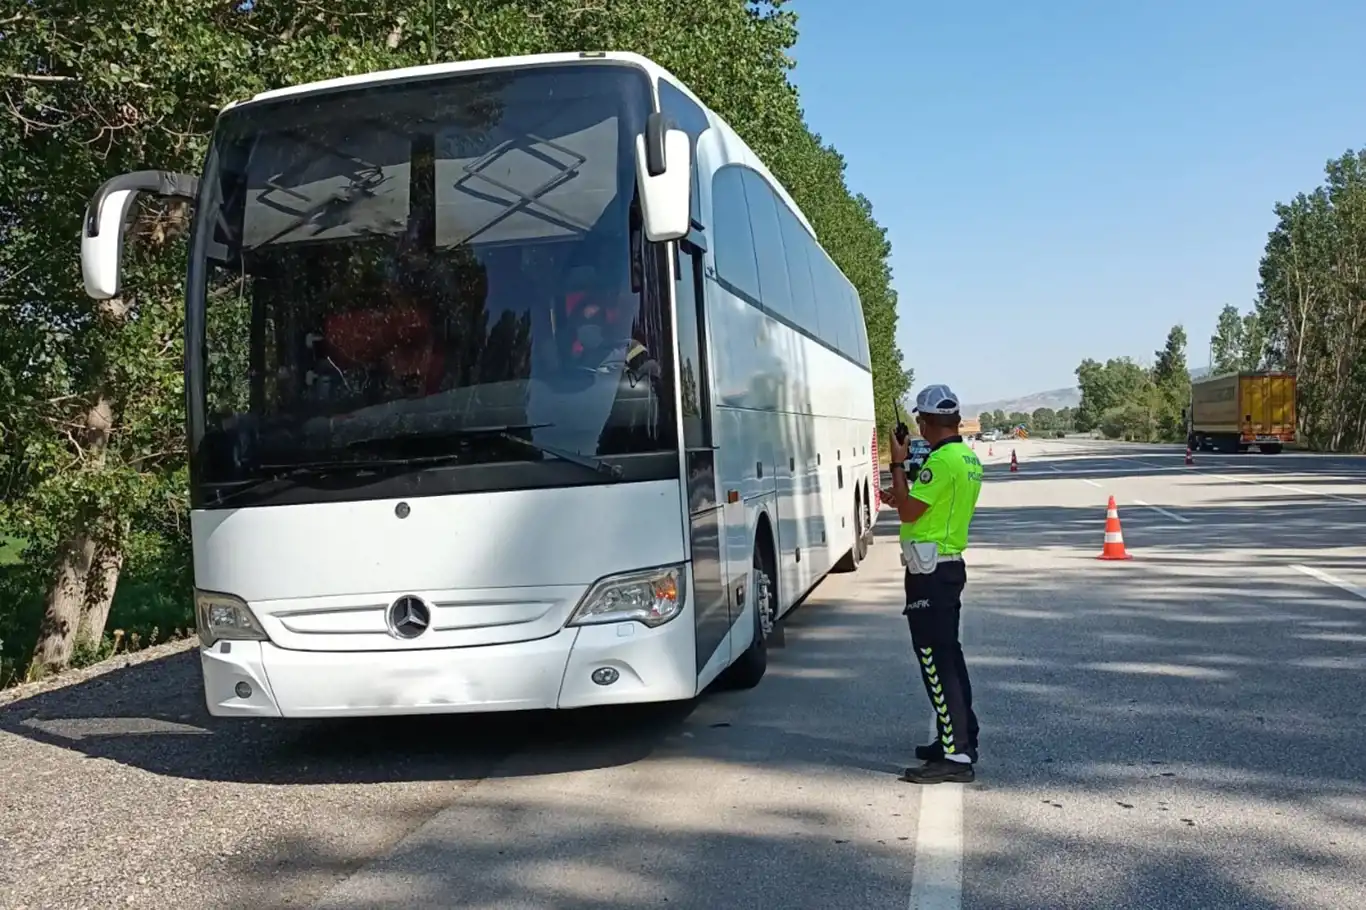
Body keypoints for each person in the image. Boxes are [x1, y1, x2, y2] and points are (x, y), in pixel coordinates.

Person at [885, 383, 984, 784]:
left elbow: (909, 511)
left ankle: (955, 756)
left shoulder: (940, 462)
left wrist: (897, 464)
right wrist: (907, 493)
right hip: (946, 568)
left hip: (930, 573)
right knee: (950, 657)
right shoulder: (965, 457)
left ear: (926, 423)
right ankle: (959, 739)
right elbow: (928, 506)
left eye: (920, 421)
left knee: (935, 660)